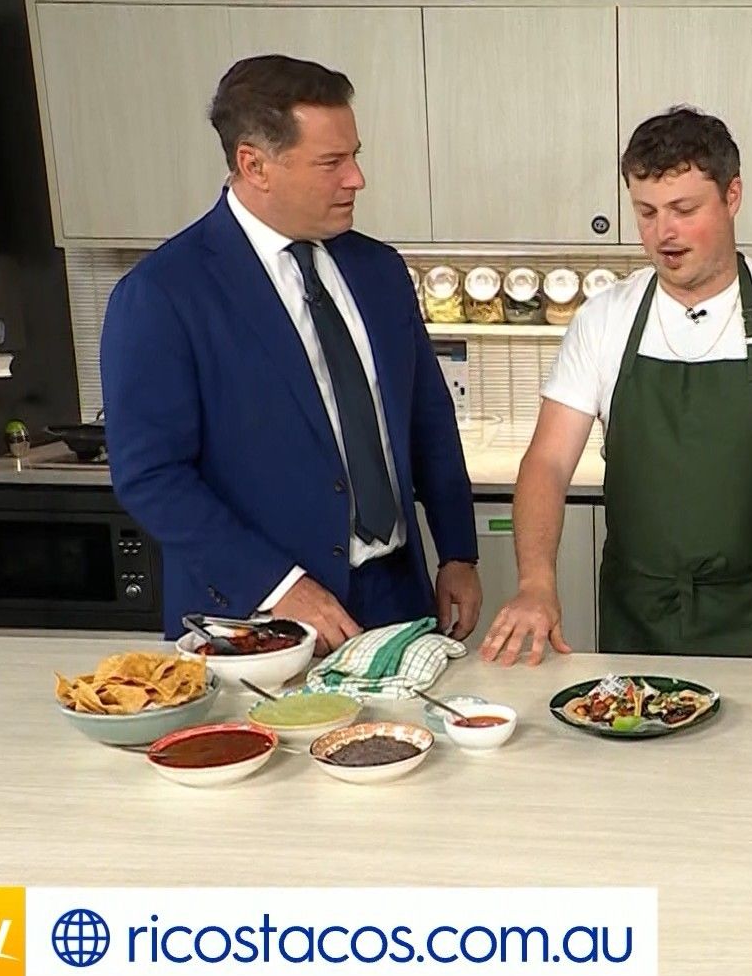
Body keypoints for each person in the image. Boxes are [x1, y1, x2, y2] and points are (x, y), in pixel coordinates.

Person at [477, 106, 752, 687]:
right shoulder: (604, 319)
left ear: (732, 196)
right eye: (646, 212)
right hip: (636, 616)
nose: (663, 233)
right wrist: (535, 583)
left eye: (684, 210)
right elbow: (547, 461)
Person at [102, 55, 481, 652]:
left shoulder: (380, 270)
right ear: (254, 165)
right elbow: (152, 476)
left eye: (355, 155)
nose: (356, 179)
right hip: (256, 616)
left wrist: (457, 551)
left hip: (395, 598)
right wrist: (277, 585)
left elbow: (427, 419)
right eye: (332, 162)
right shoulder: (162, 294)